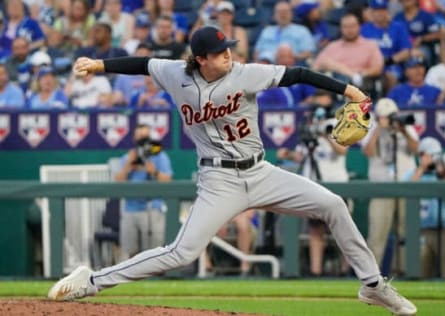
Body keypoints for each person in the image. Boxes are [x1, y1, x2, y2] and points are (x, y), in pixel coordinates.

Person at [48, 25, 417, 316]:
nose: (229, 54)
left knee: (334, 204)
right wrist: (100, 65)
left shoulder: (245, 73)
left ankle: (372, 285)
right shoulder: (175, 72)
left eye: (229, 48)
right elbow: (142, 63)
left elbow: (300, 73)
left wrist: (348, 90)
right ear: (200, 59)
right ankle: (92, 280)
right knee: (183, 253)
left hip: (261, 173)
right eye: (220, 52)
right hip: (218, 179)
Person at [277, 107, 350, 277]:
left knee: (342, 228)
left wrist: (326, 134)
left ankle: (348, 269)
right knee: (315, 229)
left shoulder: (336, 126)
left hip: (336, 184)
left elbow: (342, 150)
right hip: (315, 185)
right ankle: (315, 271)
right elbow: (302, 156)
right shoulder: (310, 131)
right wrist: (288, 155)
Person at [361, 98, 419, 275]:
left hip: (405, 186)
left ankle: (404, 271)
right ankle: (372, 276)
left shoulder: (405, 127)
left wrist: (402, 130)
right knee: (377, 234)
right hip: (381, 188)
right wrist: (379, 127)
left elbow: (416, 149)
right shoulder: (370, 127)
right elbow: (368, 151)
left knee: (406, 233)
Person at [403, 137, 445, 278]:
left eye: (434, 156)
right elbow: (406, 191)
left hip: (444, 228)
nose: (432, 159)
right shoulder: (412, 174)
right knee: (420, 269)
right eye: (427, 155)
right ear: (421, 155)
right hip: (420, 230)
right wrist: (422, 168)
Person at [114, 124, 173, 259]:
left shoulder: (159, 155)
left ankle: (153, 279)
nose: (142, 140)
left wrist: (153, 171)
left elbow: (168, 180)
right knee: (131, 252)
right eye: (139, 136)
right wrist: (129, 164)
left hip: (153, 207)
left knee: (153, 253)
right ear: (134, 138)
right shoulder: (129, 156)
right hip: (131, 208)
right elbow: (118, 181)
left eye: (145, 137)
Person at [312, 12, 384, 94]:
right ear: (340, 28)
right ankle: (350, 75)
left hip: (362, 86)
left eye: (352, 26)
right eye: (346, 27)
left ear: (359, 27)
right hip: (335, 87)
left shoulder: (370, 45)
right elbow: (316, 67)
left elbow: (378, 68)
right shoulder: (333, 46)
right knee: (326, 63)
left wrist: (362, 73)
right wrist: (347, 72)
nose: (349, 30)